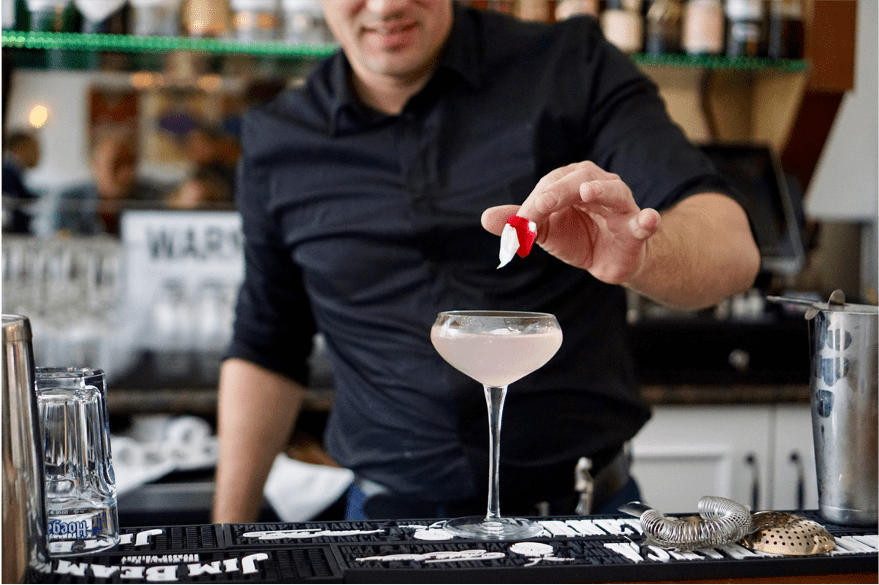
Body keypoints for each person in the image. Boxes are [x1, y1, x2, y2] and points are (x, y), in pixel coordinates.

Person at [213, 0, 759, 524]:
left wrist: (641, 254)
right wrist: (223, 545)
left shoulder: (570, 63)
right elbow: (266, 346)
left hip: (585, 517)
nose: (385, 6)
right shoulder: (278, 139)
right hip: (386, 527)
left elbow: (733, 249)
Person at [46, 125, 166, 236]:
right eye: (116, 164)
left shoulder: (153, 198)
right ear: (95, 164)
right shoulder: (68, 202)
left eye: (131, 162)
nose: (126, 173)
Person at [2, 131, 42, 233]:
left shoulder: (14, 172)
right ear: (20, 149)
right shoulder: (7, 173)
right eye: (34, 148)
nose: (38, 154)